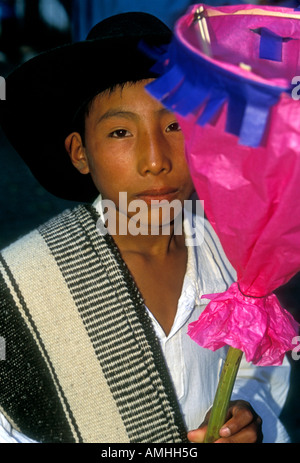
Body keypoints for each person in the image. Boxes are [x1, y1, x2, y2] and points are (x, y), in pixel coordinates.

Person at [0, 12, 291, 444]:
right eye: (120, 131)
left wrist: (247, 413)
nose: (155, 159)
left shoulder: (234, 258)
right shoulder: (21, 284)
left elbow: (260, 367)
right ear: (80, 153)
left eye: (175, 125)